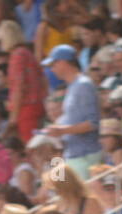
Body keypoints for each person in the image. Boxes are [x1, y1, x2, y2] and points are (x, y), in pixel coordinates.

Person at [43, 45, 102, 177]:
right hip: (74, 154)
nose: (52, 69)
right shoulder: (74, 86)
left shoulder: (83, 85)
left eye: (54, 64)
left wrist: (62, 130)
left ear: (63, 62)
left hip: (85, 155)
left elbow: (92, 123)